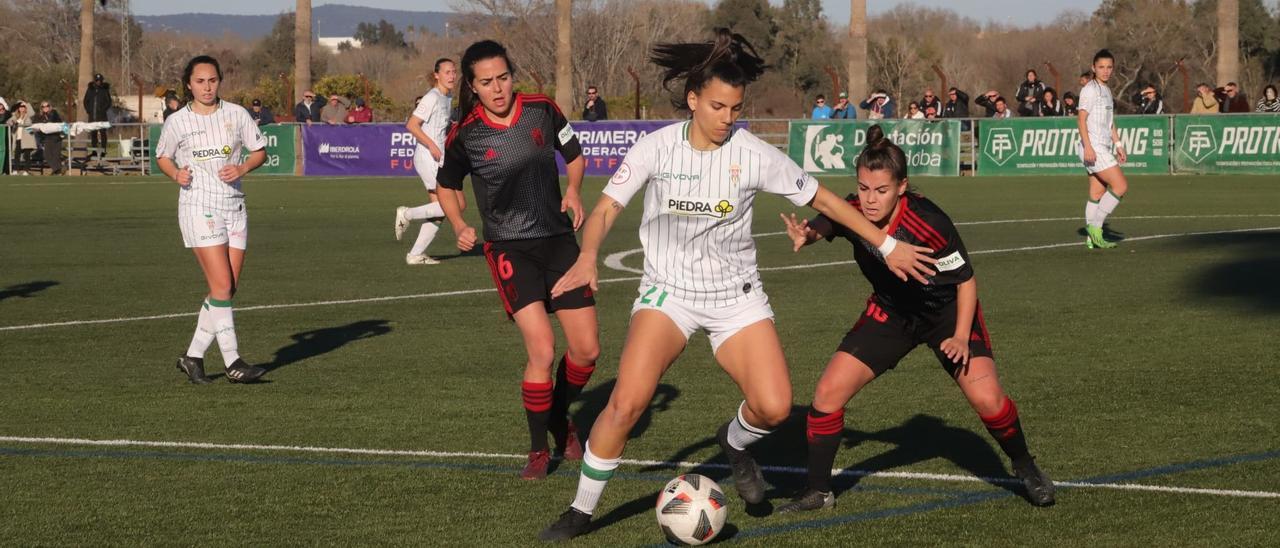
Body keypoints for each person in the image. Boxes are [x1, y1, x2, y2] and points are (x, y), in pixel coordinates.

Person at [537, 29, 936, 541]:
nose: (729, 117)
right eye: (719, 106)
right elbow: (606, 209)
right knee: (628, 401)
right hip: (668, 293)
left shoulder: (752, 153)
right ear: (693, 99)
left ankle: (734, 442)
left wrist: (885, 244)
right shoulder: (655, 148)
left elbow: (828, 202)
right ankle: (581, 511)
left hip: (736, 297)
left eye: (736, 108)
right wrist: (589, 253)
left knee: (773, 406)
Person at [774, 125, 1056, 513]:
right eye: (863, 188)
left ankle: (1025, 464)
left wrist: (959, 336)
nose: (870, 200)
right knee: (827, 394)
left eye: (881, 190)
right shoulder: (856, 206)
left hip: (947, 313)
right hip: (891, 313)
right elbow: (834, 220)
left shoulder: (930, 222)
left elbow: (967, 281)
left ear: (902, 187)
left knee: (989, 400)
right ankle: (818, 491)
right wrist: (810, 235)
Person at [435, 40, 600, 482]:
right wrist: (458, 223)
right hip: (509, 248)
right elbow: (446, 184)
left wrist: (573, 189)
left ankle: (559, 419)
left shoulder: (543, 110)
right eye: (486, 82)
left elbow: (575, 155)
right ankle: (537, 451)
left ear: (513, 75)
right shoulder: (466, 133)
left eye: (503, 78)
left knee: (587, 351)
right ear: (472, 86)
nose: (497, 88)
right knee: (543, 350)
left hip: (560, 242)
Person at [155, 55, 269, 385]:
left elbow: (259, 151)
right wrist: (175, 173)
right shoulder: (178, 121)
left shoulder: (236, 114)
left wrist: (243, 167)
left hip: (234, 207)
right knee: (221, 285)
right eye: (200, 81)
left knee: (227, 288)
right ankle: (233, 362)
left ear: (220, 81)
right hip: (198, 206)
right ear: (189, 84)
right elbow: (163, 156)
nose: (207, 87)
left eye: (213, 80)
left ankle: (192, 357)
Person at [395, 58, 461, 265]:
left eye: (453, 72)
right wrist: (432, 145)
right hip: (428, 156)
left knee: (440, 210)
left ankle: (415, 254)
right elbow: (412, 125)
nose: (452, 76)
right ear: (436, 75)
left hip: (439, 157)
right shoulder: (432, 97)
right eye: (447, 72)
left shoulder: (447, 96)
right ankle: (407, 213)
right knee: (455, 204)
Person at [1077, 49, 1128, 250]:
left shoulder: (1106, 90)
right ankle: (1095, 228)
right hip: (1094, 147)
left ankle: (1092, 239)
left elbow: (1109, 123)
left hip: (1101, 146)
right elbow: (1081, 119)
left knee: (1097, 192)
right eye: (1101, 67)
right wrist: (1088, 147)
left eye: (1109, 67)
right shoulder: (1090, 89)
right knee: (1121, 186)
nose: (1105, 71)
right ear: (1093, 68)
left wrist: (1118, 144)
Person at [32, 101, 65, 174]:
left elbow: (57, 122)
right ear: (41, 108)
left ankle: (57, 171)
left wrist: (47, 119)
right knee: (47, 155)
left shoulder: (54, 113)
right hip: (47, 138)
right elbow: (36, 125)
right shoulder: (39, 116)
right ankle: (58, 170)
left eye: (47, 106)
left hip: (56, 136)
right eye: (43, 106)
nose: (45, 107)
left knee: (56, 155)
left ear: (50, 106)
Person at [84, 73, 112, 158]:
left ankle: (103, 151)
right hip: (92, 116)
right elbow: (85, 101)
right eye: (97, 80)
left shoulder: (104, 90)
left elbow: (108, 102)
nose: (98, 82)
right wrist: (89, 110)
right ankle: (94, 151)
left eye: (100, 80)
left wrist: (103, 110)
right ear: (94, 81)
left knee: (103, 133)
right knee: (93, 134)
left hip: (102, 116)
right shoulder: (90, 90)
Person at [7, 101, 36, 173]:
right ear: (18, 108)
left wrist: (25, 103)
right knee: (17, 155)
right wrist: (13, 123)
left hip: (27, 138)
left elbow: (32, 112)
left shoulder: (28, 115)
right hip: (18, 138)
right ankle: (16, 170)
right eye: (20, 107)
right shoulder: (15, 116)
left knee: (27, 155)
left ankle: (27, 170)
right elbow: (8, 122)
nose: (22, 108)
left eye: (23, 107)